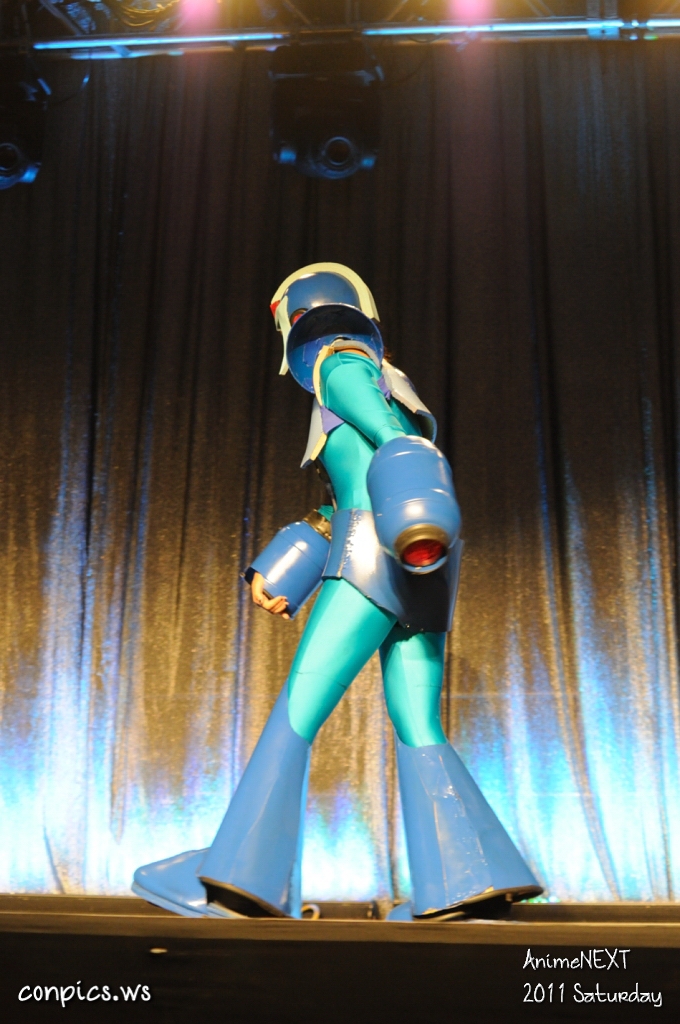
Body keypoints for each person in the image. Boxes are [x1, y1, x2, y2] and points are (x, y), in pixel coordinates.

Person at [132, 263, 542, 920]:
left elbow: (391, 450)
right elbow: (361, 478)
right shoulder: (392, 382)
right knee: (418, 722)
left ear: (297, 320)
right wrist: (295, 556)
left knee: (297, 712)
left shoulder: (338, 363)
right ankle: (467, 878)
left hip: (373, 556)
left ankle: (238, 878)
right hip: (423, 563)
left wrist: (396, 499)